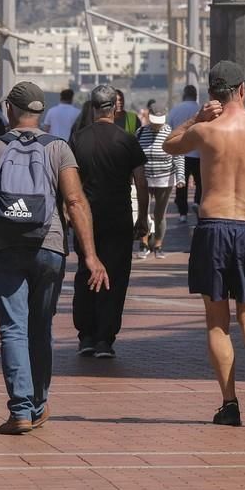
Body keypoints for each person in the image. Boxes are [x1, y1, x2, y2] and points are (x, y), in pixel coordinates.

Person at [0, 81, 109, 434]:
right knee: (40, 328)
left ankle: (19, 408)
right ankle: (38, 404)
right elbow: (75, 202)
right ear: (39, 111)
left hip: (5, 248)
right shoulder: (58, 149)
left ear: (9, 110)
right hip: (49, 247)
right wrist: (90, 255)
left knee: (12, 328)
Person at [163, 60, 245, 426]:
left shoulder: (207, 131)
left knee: (217, 320)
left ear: (212, 95)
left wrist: (195, 119)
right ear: (242, 89)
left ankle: (229, 403)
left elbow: (169, 146)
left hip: (215, 226)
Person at [70, 85, 149, 359]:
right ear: (115, 108)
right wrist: (143, 218)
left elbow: (69, 184)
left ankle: (86, 336)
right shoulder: (127, 140)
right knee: (114, 277)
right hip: (119, 218)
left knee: (85, 272)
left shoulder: (78, 140)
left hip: (86, 219)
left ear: (92, 108)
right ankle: (105, 339)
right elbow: (141, 182)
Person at [135, 105, 185, 259]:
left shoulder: (170, 133)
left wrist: (181, 177)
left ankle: (158, 244)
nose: (157, 125)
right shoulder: (141, 132)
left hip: (165, 179)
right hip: (144, 179)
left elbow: (178, 156)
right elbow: (135, 154)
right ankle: (143, 243)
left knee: (159, 214)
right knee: (143, 212)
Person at [170, 85, 202, 223]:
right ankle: (197, 202)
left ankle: (182, 213)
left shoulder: (175, 110)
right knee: (201, 182)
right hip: (199, 153)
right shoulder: (200, 109)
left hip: (181, 153)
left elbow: (168, 130)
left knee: (181, 184)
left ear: (184, 95)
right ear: (195, 95)